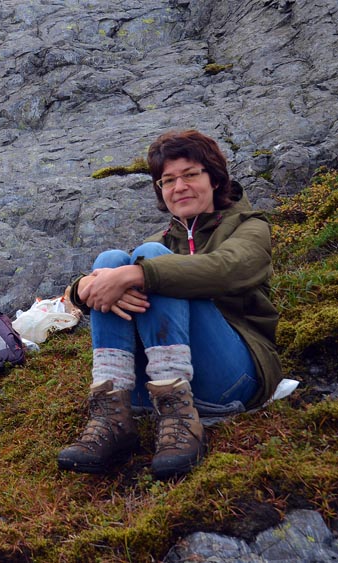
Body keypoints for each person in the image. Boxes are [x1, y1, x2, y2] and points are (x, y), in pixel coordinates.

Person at [57, 130, 282, 479]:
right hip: (148, 393)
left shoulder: (249, 227)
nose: (179, 187)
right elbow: (105, 281)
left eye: (190, 175)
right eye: (168, 180)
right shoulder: (158, 243)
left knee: (149, 263)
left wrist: (143, 274)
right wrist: (81, 287)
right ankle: (111, 413)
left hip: (234, 379)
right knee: (112, 259)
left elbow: (226, 270)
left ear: (215, 178)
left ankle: (179, 417)